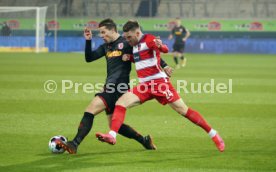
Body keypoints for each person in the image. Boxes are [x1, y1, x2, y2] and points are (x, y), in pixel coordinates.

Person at [96, 20, 225, 152]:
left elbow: (164, 49)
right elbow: (142, 59)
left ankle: (213, 134)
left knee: (183, 110)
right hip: (145, 86)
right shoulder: (134, 45)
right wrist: (130, 57)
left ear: (137, 32)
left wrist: (161, 46)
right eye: (126, 37)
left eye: (129, 37)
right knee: (121, 103)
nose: (127, 40)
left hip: (160, 84)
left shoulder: (149, 39)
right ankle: (112, 136)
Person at [56, 18, 173, 154]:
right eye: (100, 33)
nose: (101, 36)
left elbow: (147, 51)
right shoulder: (106, 47)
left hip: (117, 87)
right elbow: (89, 58)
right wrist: (88, 41)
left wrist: (164, 66)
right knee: (114, 124)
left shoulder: (126, 42)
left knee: (90, 110)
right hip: (111, 86)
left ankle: (74, 143)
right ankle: (144, 140)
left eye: (103, 32)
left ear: (112, 30)